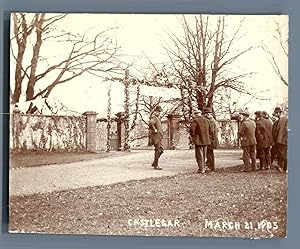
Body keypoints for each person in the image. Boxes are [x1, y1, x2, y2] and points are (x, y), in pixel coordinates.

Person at [190, 109, 211, 174]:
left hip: (198, 140)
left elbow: (192, 130)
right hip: (206, 140)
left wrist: (193, 136)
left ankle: (201, 169)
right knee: (204, 155)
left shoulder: (195, 120)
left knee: (199, 155)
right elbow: (210, 130)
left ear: (196, 114)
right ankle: (203, 167)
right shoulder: (207, 120)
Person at [272, 107, 288, 173]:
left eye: (276, 114)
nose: (275, 115)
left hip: (281, 140)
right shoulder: (282, 119)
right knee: (282, 154)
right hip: (282, 140)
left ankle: (284, 168)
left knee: (282, 154)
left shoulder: (283, 119)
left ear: (279, 113)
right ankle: (283, 168)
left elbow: (286, 130)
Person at [149, 105, 164, 170]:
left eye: (160, 112)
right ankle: (156, 165)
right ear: (155, 111)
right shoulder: (154, 117)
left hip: (159, 136)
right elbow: (150, 123)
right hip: (156, 136)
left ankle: (154, 163)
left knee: (161, 150)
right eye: (158, 111)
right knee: (158, 150)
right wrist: (154, 129)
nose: (159, 113)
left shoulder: (157, 118)